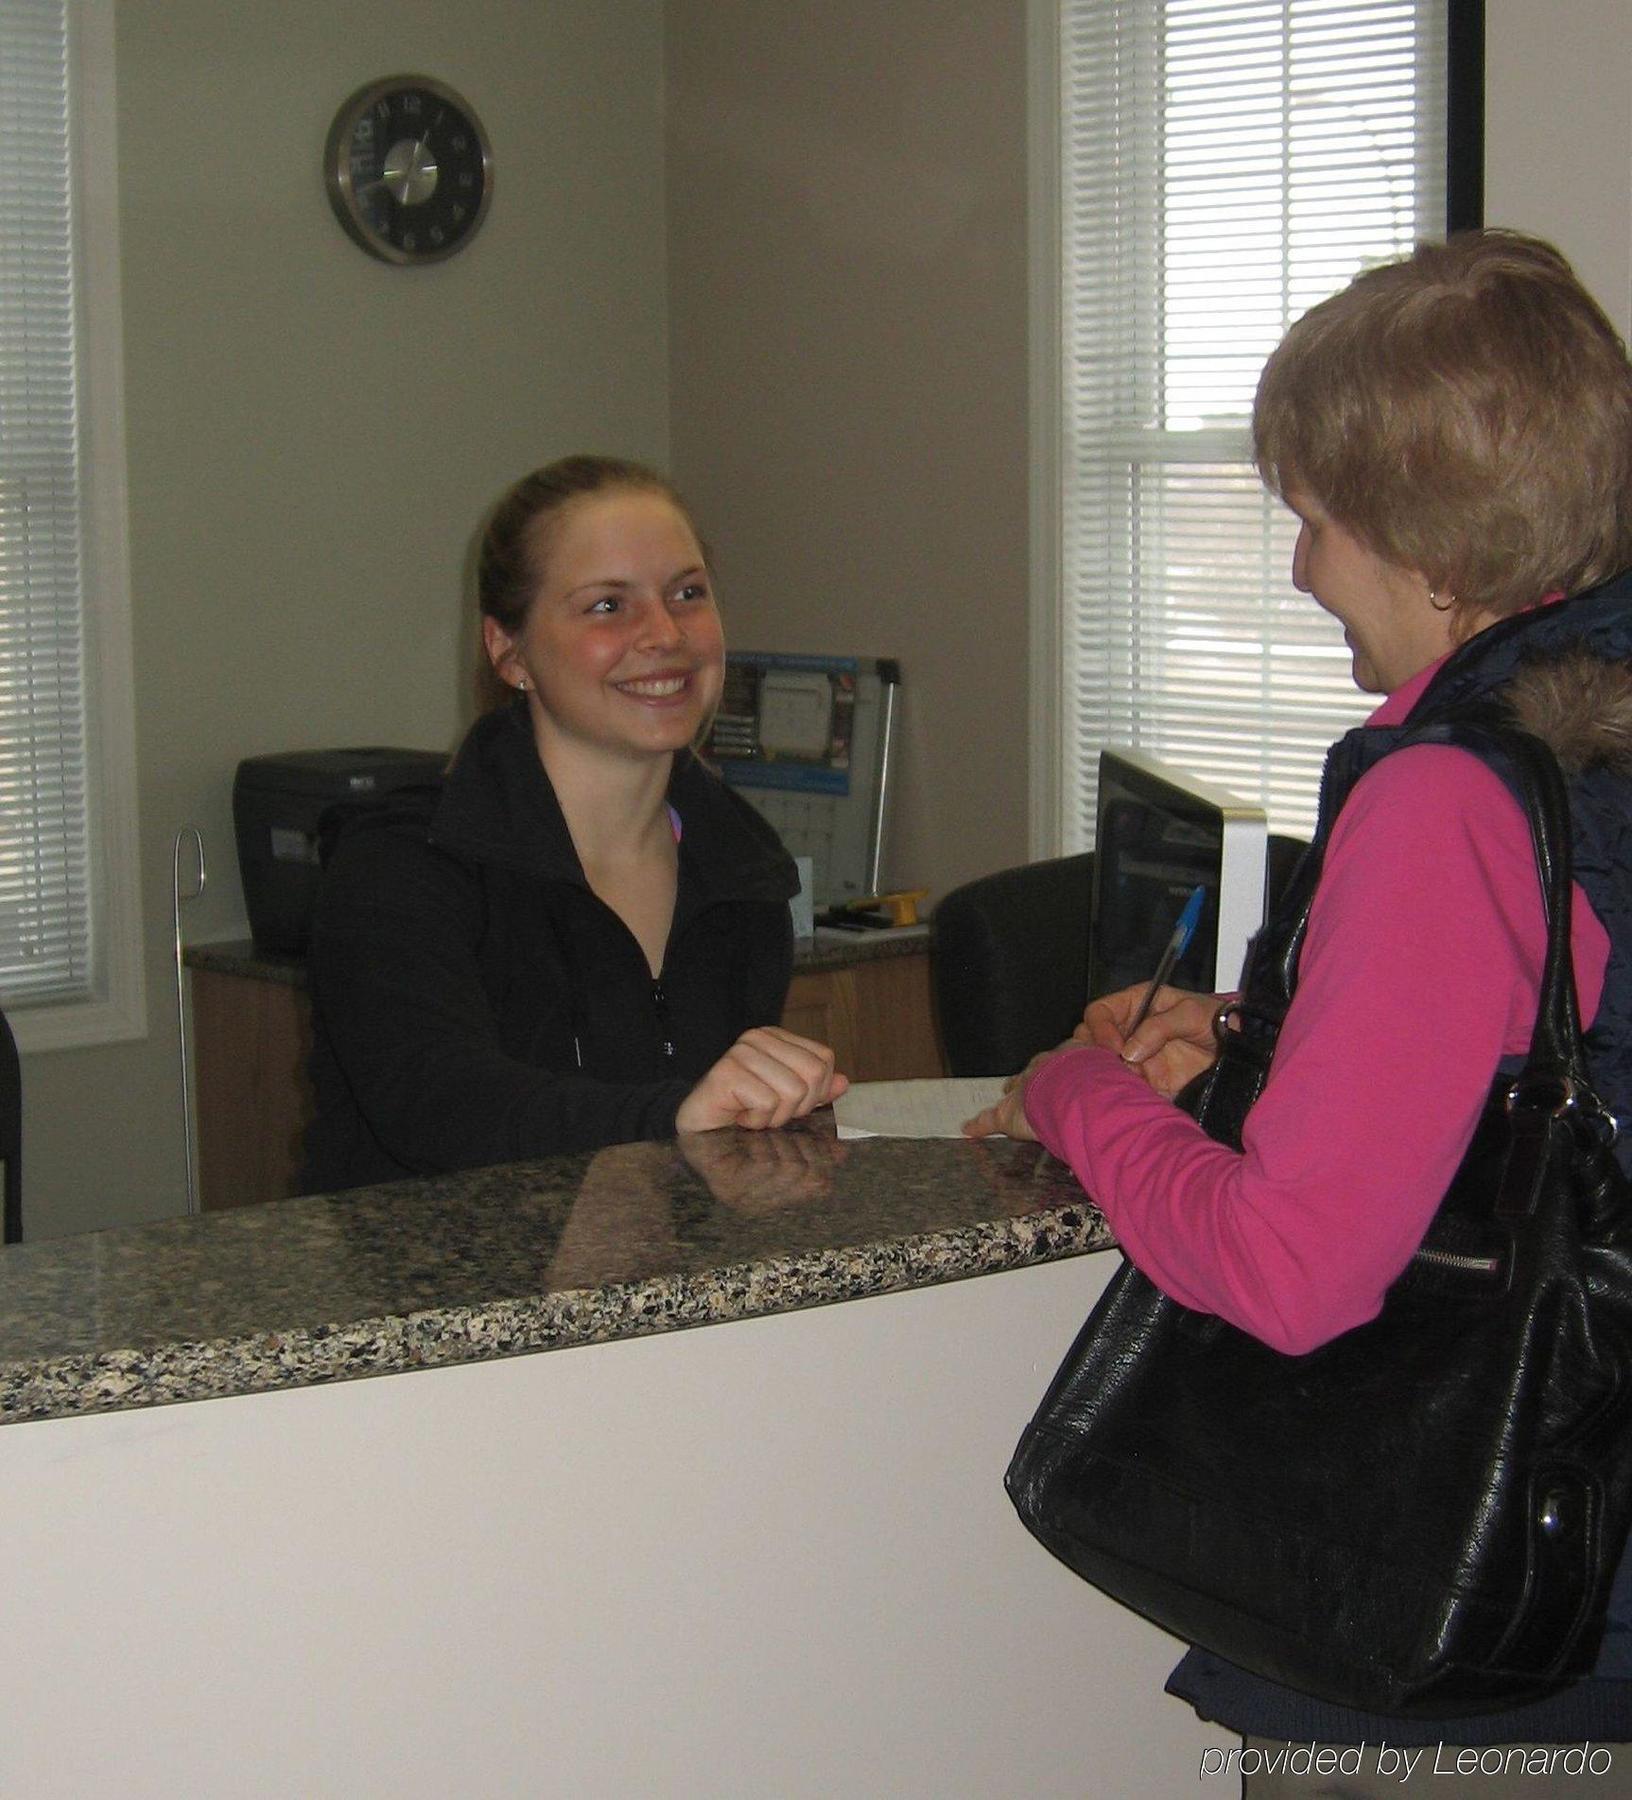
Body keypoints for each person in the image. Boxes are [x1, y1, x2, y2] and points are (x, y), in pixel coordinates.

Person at [967, 230, 1632, 1794]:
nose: (1301, 569)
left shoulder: (1456, 802)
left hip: (1476, 1676)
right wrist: (1266, 1053)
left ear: (1428, 545)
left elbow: (1290, 1271)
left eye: (1317, 522)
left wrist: (1078, 1094)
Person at [302, 454, 845, 1193]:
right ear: (509, 650)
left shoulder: (743, 871)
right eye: (607, 606)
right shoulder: (402, 865)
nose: (664, 634)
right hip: (440, 1295)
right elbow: (442, 1108)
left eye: (687, 593)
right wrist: (678, 1114)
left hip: (662, 1289)